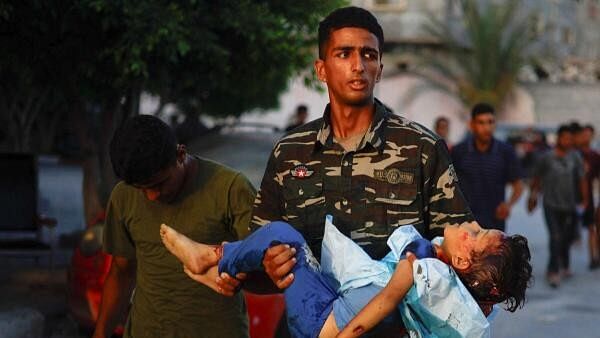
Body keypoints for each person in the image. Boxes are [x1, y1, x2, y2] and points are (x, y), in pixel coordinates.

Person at [212, 8, 478, 335]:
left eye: (369, 55)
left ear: (379, 68)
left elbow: (463, 253)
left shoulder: (422, 148)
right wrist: (270, 269)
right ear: (321, 69)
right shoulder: (290, 152)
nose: (358, 65)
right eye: (344, 53)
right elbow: (256, 265)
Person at [159, 217, 532, 338]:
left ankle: (212, 257)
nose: (471, 222)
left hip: (323, 321)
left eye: (477, 233)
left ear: (464, 260)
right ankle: (215, 269)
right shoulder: (455, 298)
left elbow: (382, 303)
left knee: (283, 235)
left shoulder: (421, 271)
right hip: (330, 303)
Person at [92, 115, 256, 338]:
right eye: (142, 189)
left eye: (160, 184)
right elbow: (121, 272)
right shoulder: (123, 196)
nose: (151, 196)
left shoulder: (231, 189)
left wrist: (233, 274)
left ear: (180, 155)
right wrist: (101, 334)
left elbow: (266, 269)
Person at [528, 124, 589, 288]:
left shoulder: (575, 157)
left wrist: (585, 199)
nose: (568, 141)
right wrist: (532, 197)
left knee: (566, 237)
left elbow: (582, 179)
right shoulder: (546, 157)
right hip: (550, 204)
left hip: (569, 205)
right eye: (565, 138)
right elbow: (537, 179)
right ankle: (553, 271)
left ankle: (565, 264)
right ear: (558, 138)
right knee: (555, 236)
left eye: (570, 138)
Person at [451, 103, 523, 231]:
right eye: (481, 123)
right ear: (472, 125)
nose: (487, 127)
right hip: (465, 224)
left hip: (495, 224)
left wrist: (508, 205)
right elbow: (448, 184)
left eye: (490, 122)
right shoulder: (459, 152)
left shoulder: (505, 151)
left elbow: (518, 185)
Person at [574, 124, 600, 269]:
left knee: (592, 228)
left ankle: (593, 258)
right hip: (572, 196)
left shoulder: (595, 156)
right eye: (583, 134)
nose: (585, 137)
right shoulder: (573, 154)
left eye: (588, 134)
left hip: (589, 196)